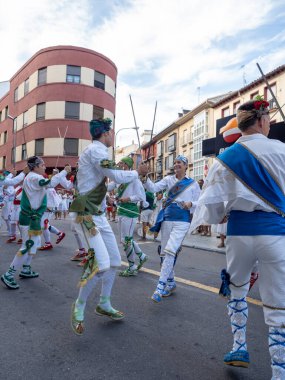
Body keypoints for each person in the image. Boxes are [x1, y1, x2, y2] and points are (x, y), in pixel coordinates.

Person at [190, 99, 285, 378]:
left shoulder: (225, 158)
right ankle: (279, 372)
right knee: (278, 302)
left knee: (237, 288)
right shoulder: (281, 150)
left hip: (239, 234)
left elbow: (213, 209)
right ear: (262, 120)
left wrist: (222, 214)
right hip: (275, 233)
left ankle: (239, 346)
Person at [69, 118, 147, 335]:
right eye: (112, 132)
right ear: (105, 133)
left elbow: (106, 182)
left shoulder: (96, 152)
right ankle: (79, 305)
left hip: (98, 215)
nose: (113, 135)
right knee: (101, 264)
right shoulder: (97, 151)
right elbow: (115, 175)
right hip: (86, 216)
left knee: (113, 262)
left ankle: (104, 303)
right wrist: (136, 172)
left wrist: (109, 199)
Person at [1, 157, 70, 290]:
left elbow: (48, 183)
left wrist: (57, 176)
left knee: (35, 243)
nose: (45, 166)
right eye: (43, 165)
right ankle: (9, 274)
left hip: (33, 218)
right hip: (29, 218)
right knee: (27, 246)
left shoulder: (33, 177)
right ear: (36, 166)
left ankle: (26, 269)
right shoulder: (33, 177)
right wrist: (64, 172)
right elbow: (49, 183)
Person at [142, 155, 200, 302]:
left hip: (182, 221)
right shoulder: (168, 180)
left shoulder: (193, 184)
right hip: (167, 219)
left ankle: (160, 288)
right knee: (164, 253)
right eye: (175, 163)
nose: (176, 165)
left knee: (170, 250)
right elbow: (153, 188)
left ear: (186, 166)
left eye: (179, 162)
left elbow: (200, 202)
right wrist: (145, 175)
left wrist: (191, 204)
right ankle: (171, 282)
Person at [110, 156, 148, 277]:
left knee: (126, 241)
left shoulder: (134, 180)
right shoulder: (120, 179)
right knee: (124, 239)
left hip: (130, 211)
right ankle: (142, 256)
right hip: (121, 210)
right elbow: (109, 187)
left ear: (127, 165)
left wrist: (127, 198)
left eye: (122, 163)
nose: (120, 165)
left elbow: (141, 196)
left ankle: (132, 267)